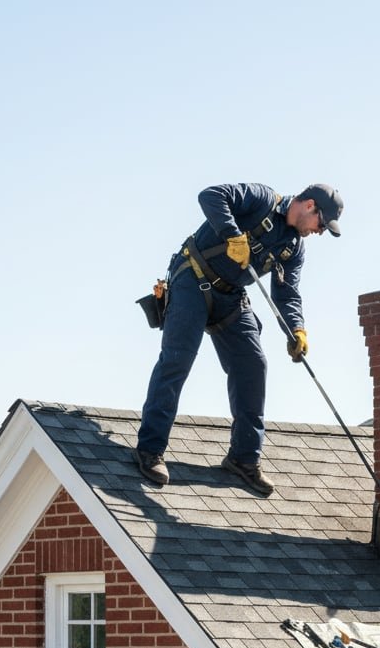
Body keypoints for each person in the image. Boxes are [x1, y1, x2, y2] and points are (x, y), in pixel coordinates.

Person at [133, 182, 343, 495]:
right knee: (178, 360)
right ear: (309, 205)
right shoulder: (261, 199)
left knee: (253, 365)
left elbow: (287, 294)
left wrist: (296, 329)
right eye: (321, 224)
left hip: (231, 298)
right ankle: (149, 449)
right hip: (194, 277)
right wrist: (233, 234)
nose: (320, 231)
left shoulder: (294, 248)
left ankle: (244, 459)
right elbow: (210, 195)